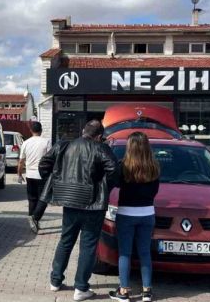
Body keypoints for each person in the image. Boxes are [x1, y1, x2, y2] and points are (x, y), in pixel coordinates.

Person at [39, 120, 118, 302]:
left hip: (70, 200)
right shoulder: (100, 148)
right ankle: (81, 288)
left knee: (66, 240)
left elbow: (44, 164)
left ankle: (55, 281)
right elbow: (114, 169)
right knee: (88, 245)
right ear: (99, 136)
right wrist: (104, 188)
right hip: (93, 204)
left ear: (83, 131)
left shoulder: (64, 145)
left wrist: (58, 181)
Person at [109, 132, 160, 302]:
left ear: (129, 147)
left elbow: (114, 183)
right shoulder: (154, 166)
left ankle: (124, 292)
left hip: (126, 213)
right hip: (147, 213)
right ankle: (147, 291)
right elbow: (155, 191)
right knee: (145, 253)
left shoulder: (123, 166)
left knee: (125, 253)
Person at [17, 121, 52, 234]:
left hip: (30, 175)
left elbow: (21, 161)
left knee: (32, 199)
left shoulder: (26, 143)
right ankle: (35, 218)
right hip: (42, 175)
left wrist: (19, 174)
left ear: (31, 131)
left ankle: (33, 221)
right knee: (43, 199)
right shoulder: (46, 142)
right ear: (41, 131)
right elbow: (50, 159)